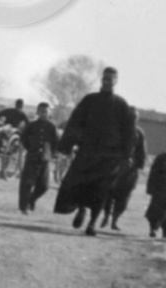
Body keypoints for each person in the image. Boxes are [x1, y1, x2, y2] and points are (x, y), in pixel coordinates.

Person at [53, 66, 136, 236]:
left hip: (109, 157)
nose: (107, 82)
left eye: (110, 79)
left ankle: (92, 224)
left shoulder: (121, 105)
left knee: (101, 190)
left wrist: (126, 154)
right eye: (105, 78)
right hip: (87, 152)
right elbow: (75, 121)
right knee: (80, 184)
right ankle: (81, 209)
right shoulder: (89, 100)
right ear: (101, 80)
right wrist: (67, 144)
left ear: (116, 81)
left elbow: (129, 132)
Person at [101, 119, 147, 231]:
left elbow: (142, 151)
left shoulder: (139, 133)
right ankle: (106, 216)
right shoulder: (117, 128)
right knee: (108, 195)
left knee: (124, 198)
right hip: (114, 167)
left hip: (129, 171)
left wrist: (138, 165)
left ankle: (114, 220)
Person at [18, 102, 60, 213]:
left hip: (44, 159)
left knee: (44, 186)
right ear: (37, 112)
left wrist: (51, 154)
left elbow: (56, 142)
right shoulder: (32, 125)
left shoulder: (52, 127)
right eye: (41, 111)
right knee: (27, 183)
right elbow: (23, 138)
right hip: (32, 157)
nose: (44, 114)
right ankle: (24, 207)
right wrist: (30, 147)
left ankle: (32, 199)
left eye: (46, 111)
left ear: (49, 113)